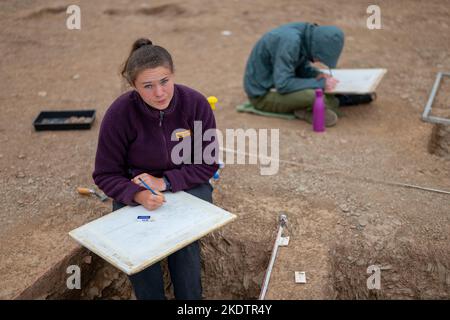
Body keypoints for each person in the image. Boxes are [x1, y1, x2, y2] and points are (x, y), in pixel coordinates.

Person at [92, 38, 219, 300]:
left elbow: (207, 163)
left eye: (164, 81)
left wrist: (166, 182)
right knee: (139, 243)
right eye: (147, 86)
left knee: (183, 239)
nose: (159, 93)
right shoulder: (120, 114)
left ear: (173, 75)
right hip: (136, 189)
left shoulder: (195, 104)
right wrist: (137, 194)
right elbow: (105, 173)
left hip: (188, 183)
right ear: (133, 86)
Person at [243, 22, 373, 127]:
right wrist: (321, 83)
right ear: (316, 47)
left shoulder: (306, 36)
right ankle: (304, 111)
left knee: (320, 91)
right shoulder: (290, 41)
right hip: (262, 96)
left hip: (277, 84)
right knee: (314, 95)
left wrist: (316, 75)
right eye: (319, 57)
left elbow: (300, 67)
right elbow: (283, 84)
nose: (318, 61)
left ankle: (326, 104)